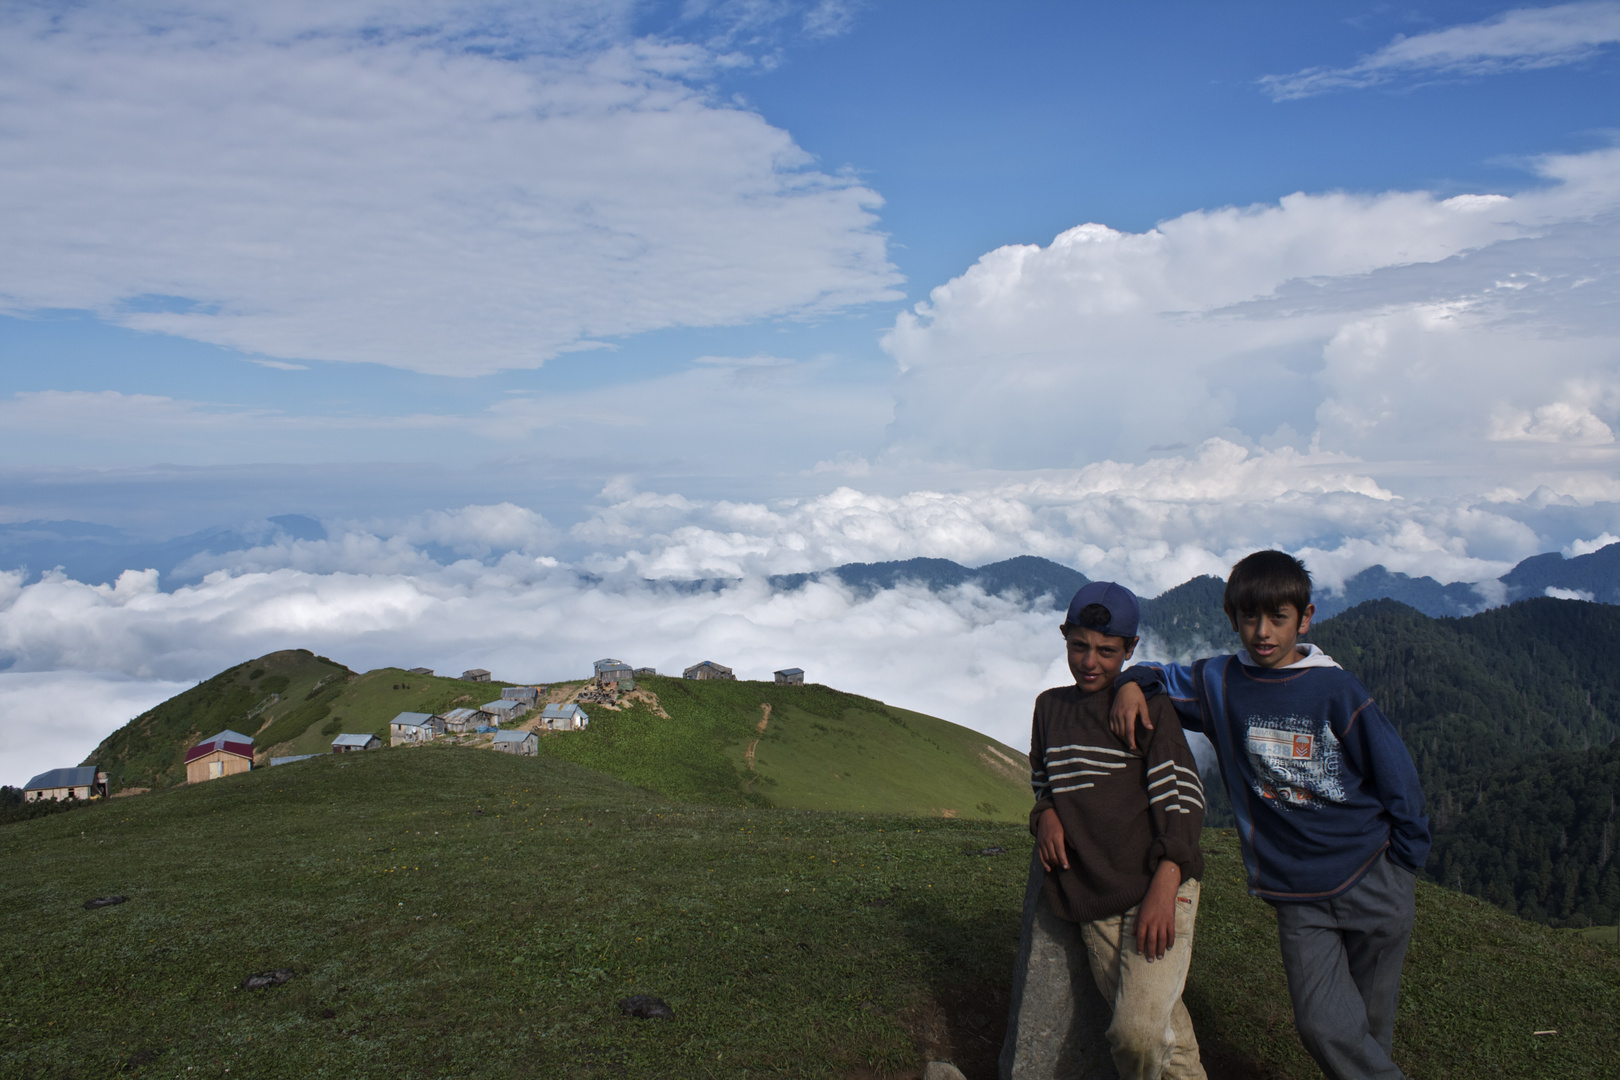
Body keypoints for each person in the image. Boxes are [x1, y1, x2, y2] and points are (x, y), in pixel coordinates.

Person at [1109, 550, 1430, 1080]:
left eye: (1278, 618)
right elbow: (1156, 675)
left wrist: (1404, 863)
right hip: (1297, 891)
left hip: (1374, 877)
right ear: (1232, 618)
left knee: (1370, 1028)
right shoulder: (1220, 683)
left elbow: (1396, 775)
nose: (1262, 632)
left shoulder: (1335, 689)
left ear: (1303, 618)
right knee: (1323, 1024)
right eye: (1249, 619)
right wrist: (1127, 683)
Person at [1029, 581, 1208, 1080]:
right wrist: (1044, 812)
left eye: (1107, 652)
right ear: (1064, 638)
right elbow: (1043, 774)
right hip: (1095, 895)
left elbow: (1183, 797)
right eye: (1078, 646)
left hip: (1158, 885)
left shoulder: (1147, 708)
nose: (1090, 662)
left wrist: (1167, 883)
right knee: (1159, 1026)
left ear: (1129, 651)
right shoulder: (1050, 709)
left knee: (1137, 1034)